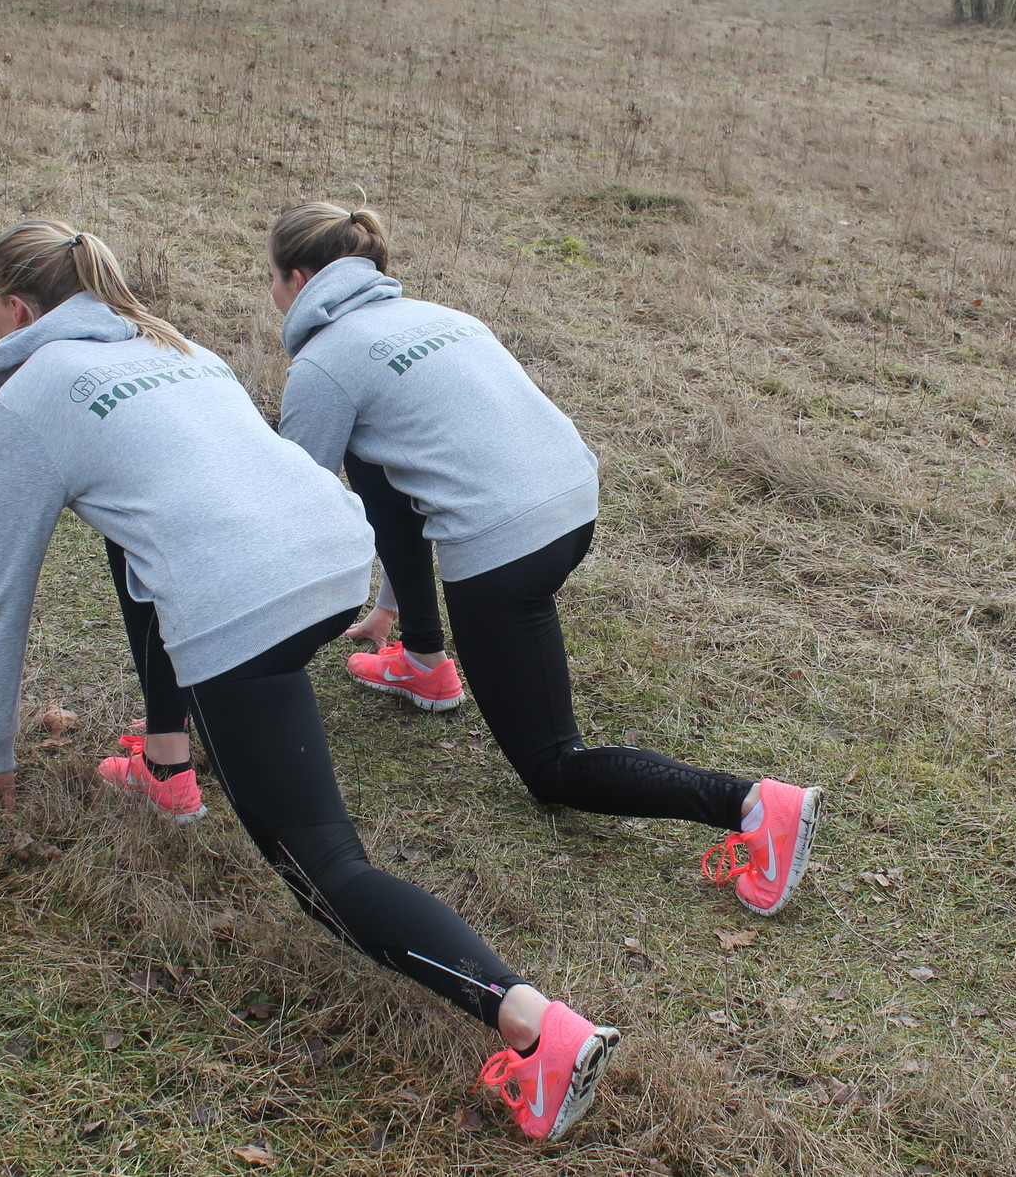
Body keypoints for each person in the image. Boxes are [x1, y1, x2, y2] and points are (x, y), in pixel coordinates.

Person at [0, 220, 618, 1142]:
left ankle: (537, 1025)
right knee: (139, 543)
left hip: (245, 603)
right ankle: (167, 764)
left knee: (327, 872)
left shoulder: (32, 397)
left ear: (17, 309)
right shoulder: (178, 349)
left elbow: (1, 596)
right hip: (334, 557)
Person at [265, 202, 823, 917]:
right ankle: (423, 659)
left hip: (508, 546)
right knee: (372, 459)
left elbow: (296, 509)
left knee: (553, 766)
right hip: (574, 500)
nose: (273, 294)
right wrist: (390, 603)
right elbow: (388, 477)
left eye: (272, 279)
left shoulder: (322, 364)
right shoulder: (439, 315)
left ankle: (754, 806)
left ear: (301, 278)